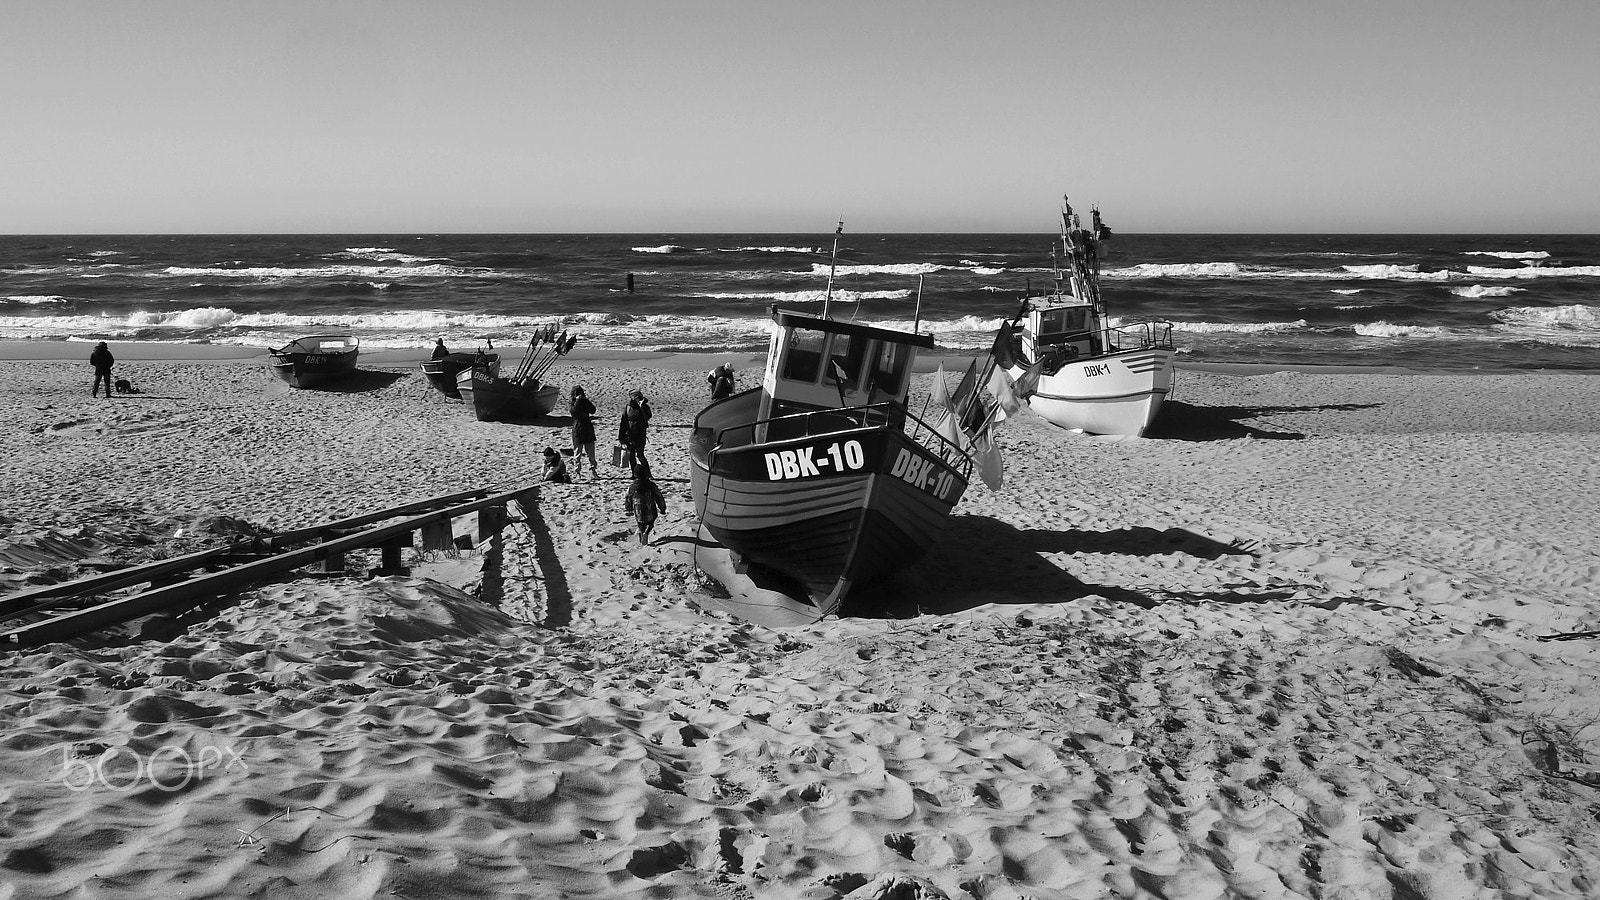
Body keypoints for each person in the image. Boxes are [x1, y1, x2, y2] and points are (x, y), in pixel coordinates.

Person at [624, 463, 667, 545]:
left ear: (634, 474)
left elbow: (628, 497)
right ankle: (646, 533)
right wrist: (662, 508)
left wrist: (628, 508)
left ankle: (641, 532)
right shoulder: (651, 485)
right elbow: (659, 496)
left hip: (638, 511)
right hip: (650, 510)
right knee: (650, 523)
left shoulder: (632, 487)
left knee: (640, 524)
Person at [617, 389, 652, 471]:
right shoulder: (628, 407)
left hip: (640, 434)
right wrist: (621, 436)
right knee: (631, 456)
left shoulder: (644, 407)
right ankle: (634, 473)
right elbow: (623, 421)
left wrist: (642, 407)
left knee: (640, 455)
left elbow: (648, 416)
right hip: (629, 435)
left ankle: (647, 473)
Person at [568, 385, 598, 479]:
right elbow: (574, 413)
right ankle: (577, 472)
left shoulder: (585, 401)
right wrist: (577, 401)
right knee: (577, 453)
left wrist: (585, 401)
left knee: (591, 453)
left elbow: (593, 410)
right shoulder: (571, 402)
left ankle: (593, 470)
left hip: (587, 428)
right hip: (578, 429)